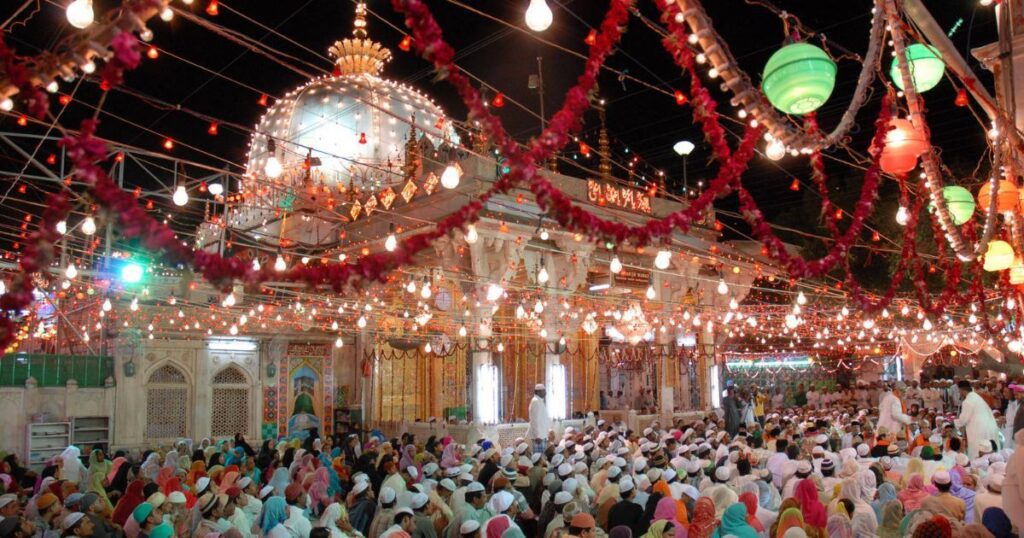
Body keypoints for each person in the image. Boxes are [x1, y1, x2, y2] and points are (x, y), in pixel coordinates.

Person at [955, 380, 1002, 458]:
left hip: (979, 430)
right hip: (988, 427)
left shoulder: (968, 401)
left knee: (978, 453)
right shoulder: (977, 397)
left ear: (961, 390)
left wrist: (954, 423)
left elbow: (963, 419)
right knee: (989, 453)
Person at [526, 385, 551, 454]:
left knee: (542, 456)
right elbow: (534, 420)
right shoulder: (535, 401)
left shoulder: (539, 401)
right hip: (539, 437)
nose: (545, 393)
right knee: (539, 458)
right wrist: (537, 435)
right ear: (538, 392)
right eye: (544, 391)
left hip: (542, 435)